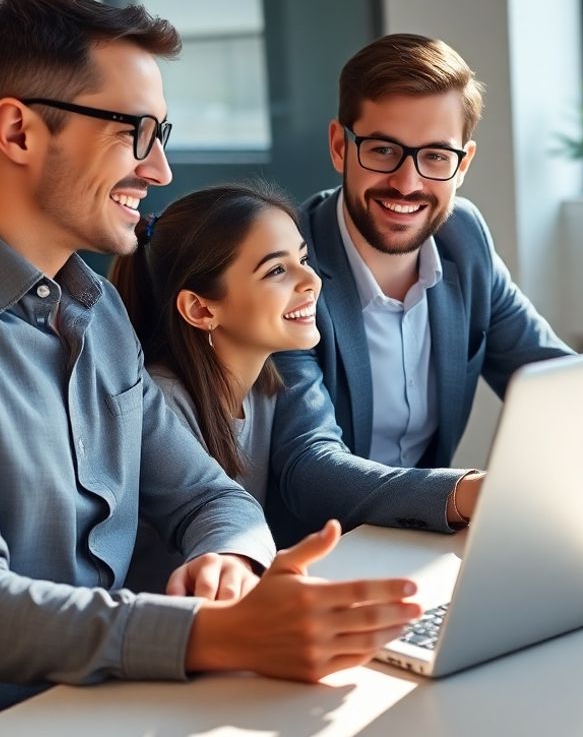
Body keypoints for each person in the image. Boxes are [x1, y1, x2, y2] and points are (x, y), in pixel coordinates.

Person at [0, 0, 418, 733]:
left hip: (89, 709)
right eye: (136, 133)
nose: (160, 171)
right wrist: (214, 635)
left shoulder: (95, 310)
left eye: (163, 134)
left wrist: (230, 566)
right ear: (17, 131)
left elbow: (213, 499)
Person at [269, 33, 573, 539]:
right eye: (384, 150)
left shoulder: (464, 238)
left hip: (418, 542)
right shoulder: (287, 266)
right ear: (340, 147)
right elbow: (309, 467)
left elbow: (555, 379)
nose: (407, 184)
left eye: (435, 156)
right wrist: (468, 493)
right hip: (315, 557)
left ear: (463, 163)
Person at [109, 182, 484, 561]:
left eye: (302, 260)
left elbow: (318, 460)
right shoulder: (160, 404)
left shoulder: (267, 386)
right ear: (202, 310)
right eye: (276, 270)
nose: (312, 281)